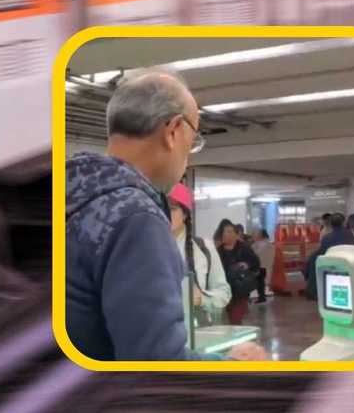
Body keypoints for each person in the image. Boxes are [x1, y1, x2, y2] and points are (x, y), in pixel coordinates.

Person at [66, 69, 266, 361]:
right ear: (172, 131)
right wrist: (231, 365)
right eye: (192, 140)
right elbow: (157, 364)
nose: (190, 154)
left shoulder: (72, 193)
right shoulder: (135, 219)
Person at [168, 182, 232, 342]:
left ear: (185, 214)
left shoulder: (203, 248)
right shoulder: (144, 248)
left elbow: (223, 292)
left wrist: (202, 299)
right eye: (160, 208)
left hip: (197, 335)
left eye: (173, 208)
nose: (166, 214)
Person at [304, 213, 354, 300]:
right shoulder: (352, 235)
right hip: (349, 263)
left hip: (331, 264)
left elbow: (322, 251)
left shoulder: (327, 237)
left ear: (331, 224)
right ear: (344, 223)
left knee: (312, 260)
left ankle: (313, 292)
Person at [217, 224, 260, 324]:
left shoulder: (244, 248)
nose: (225, 234)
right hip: (225, 288)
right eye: (223, 232)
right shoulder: (219, 250)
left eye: (229, 232)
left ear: (236, 235)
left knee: (236, 318)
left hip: (240, 288)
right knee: (229, 314)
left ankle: (237, 334)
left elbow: (256, 262)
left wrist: (247, 264)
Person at [252, 229, 275, 303]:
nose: (255, 235)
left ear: (261, 235)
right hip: (263, 265)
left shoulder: (262, 244)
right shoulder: (266, 243)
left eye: (257, 234)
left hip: (261, 265)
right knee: (261, 281)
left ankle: (261, 297)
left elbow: (257, 253)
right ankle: (262, 296)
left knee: (260, 281)